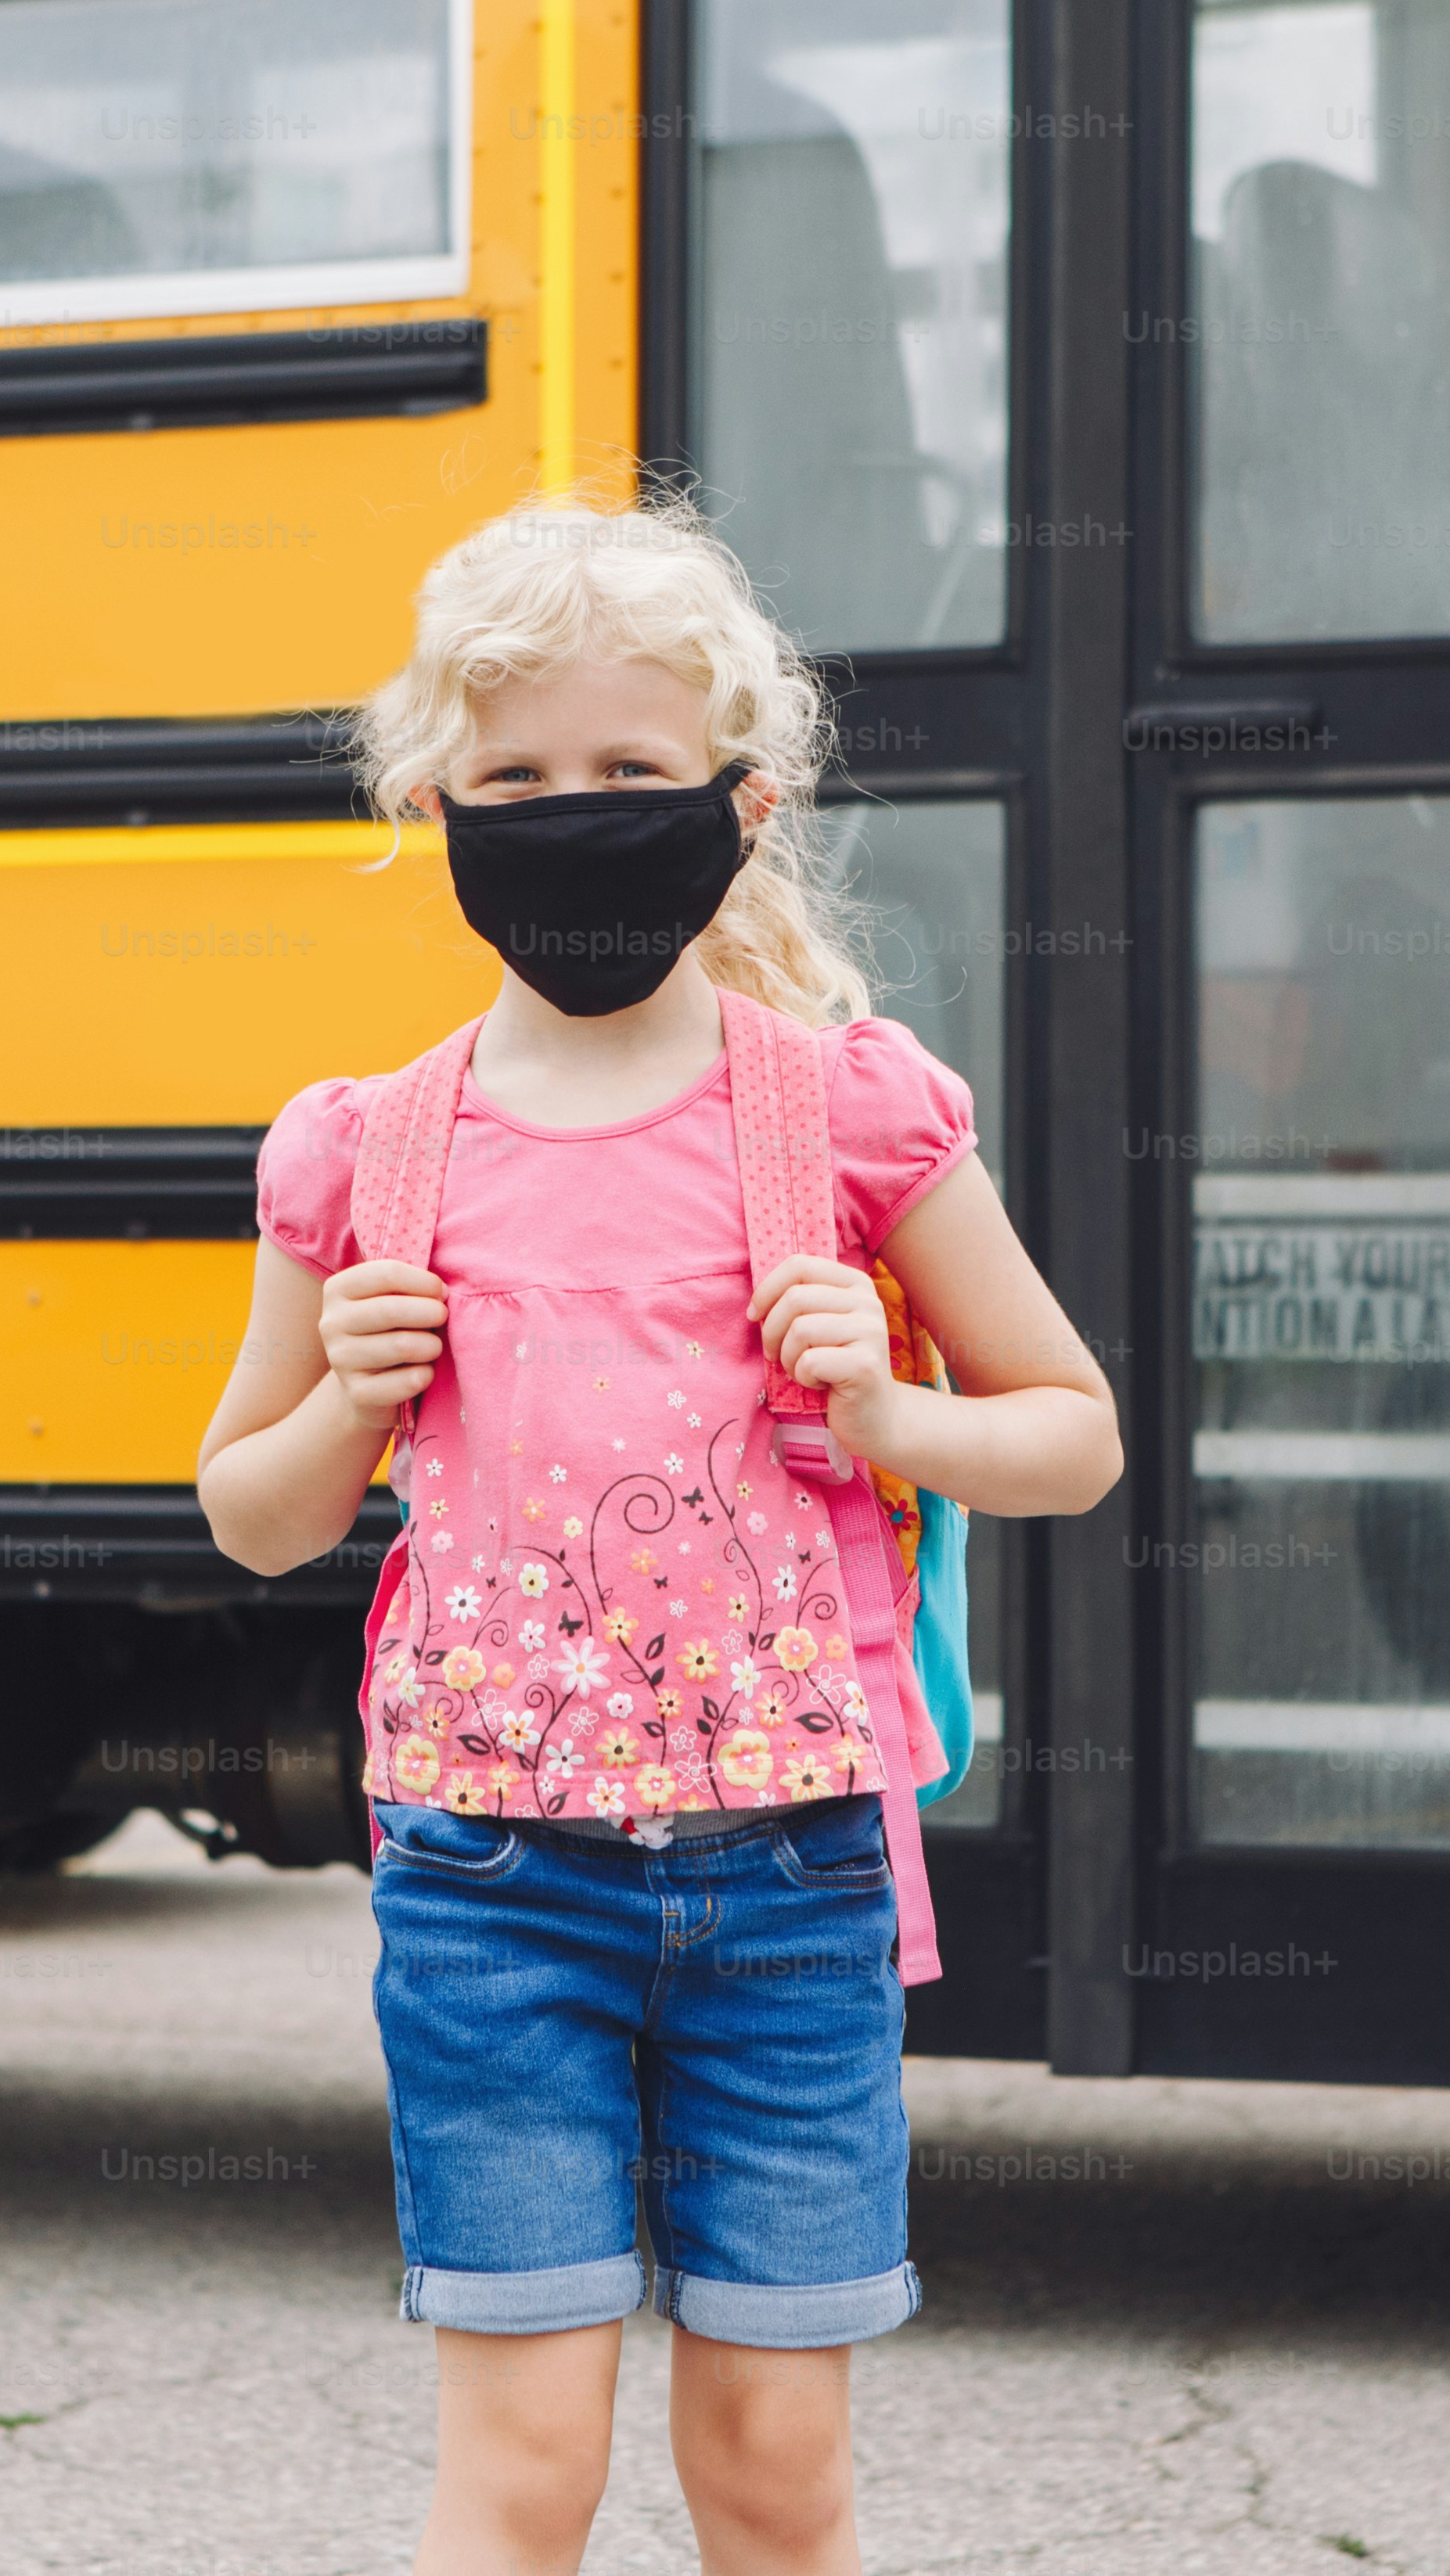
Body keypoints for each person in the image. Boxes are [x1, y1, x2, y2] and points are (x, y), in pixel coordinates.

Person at [199, 494, 1120, 2575]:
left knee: (774, 2465)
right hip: (488, 1889)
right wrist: (347, 1388)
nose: (573, 814)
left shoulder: (849, 1113)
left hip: (788, 1881)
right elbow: (251, 1513)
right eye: (516, 777)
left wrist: (891, 1409)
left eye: (627, 773)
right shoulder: (365, 1149)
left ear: (739, 799)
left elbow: (1073, 1436)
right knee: (518, 2469)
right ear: (436, 806)